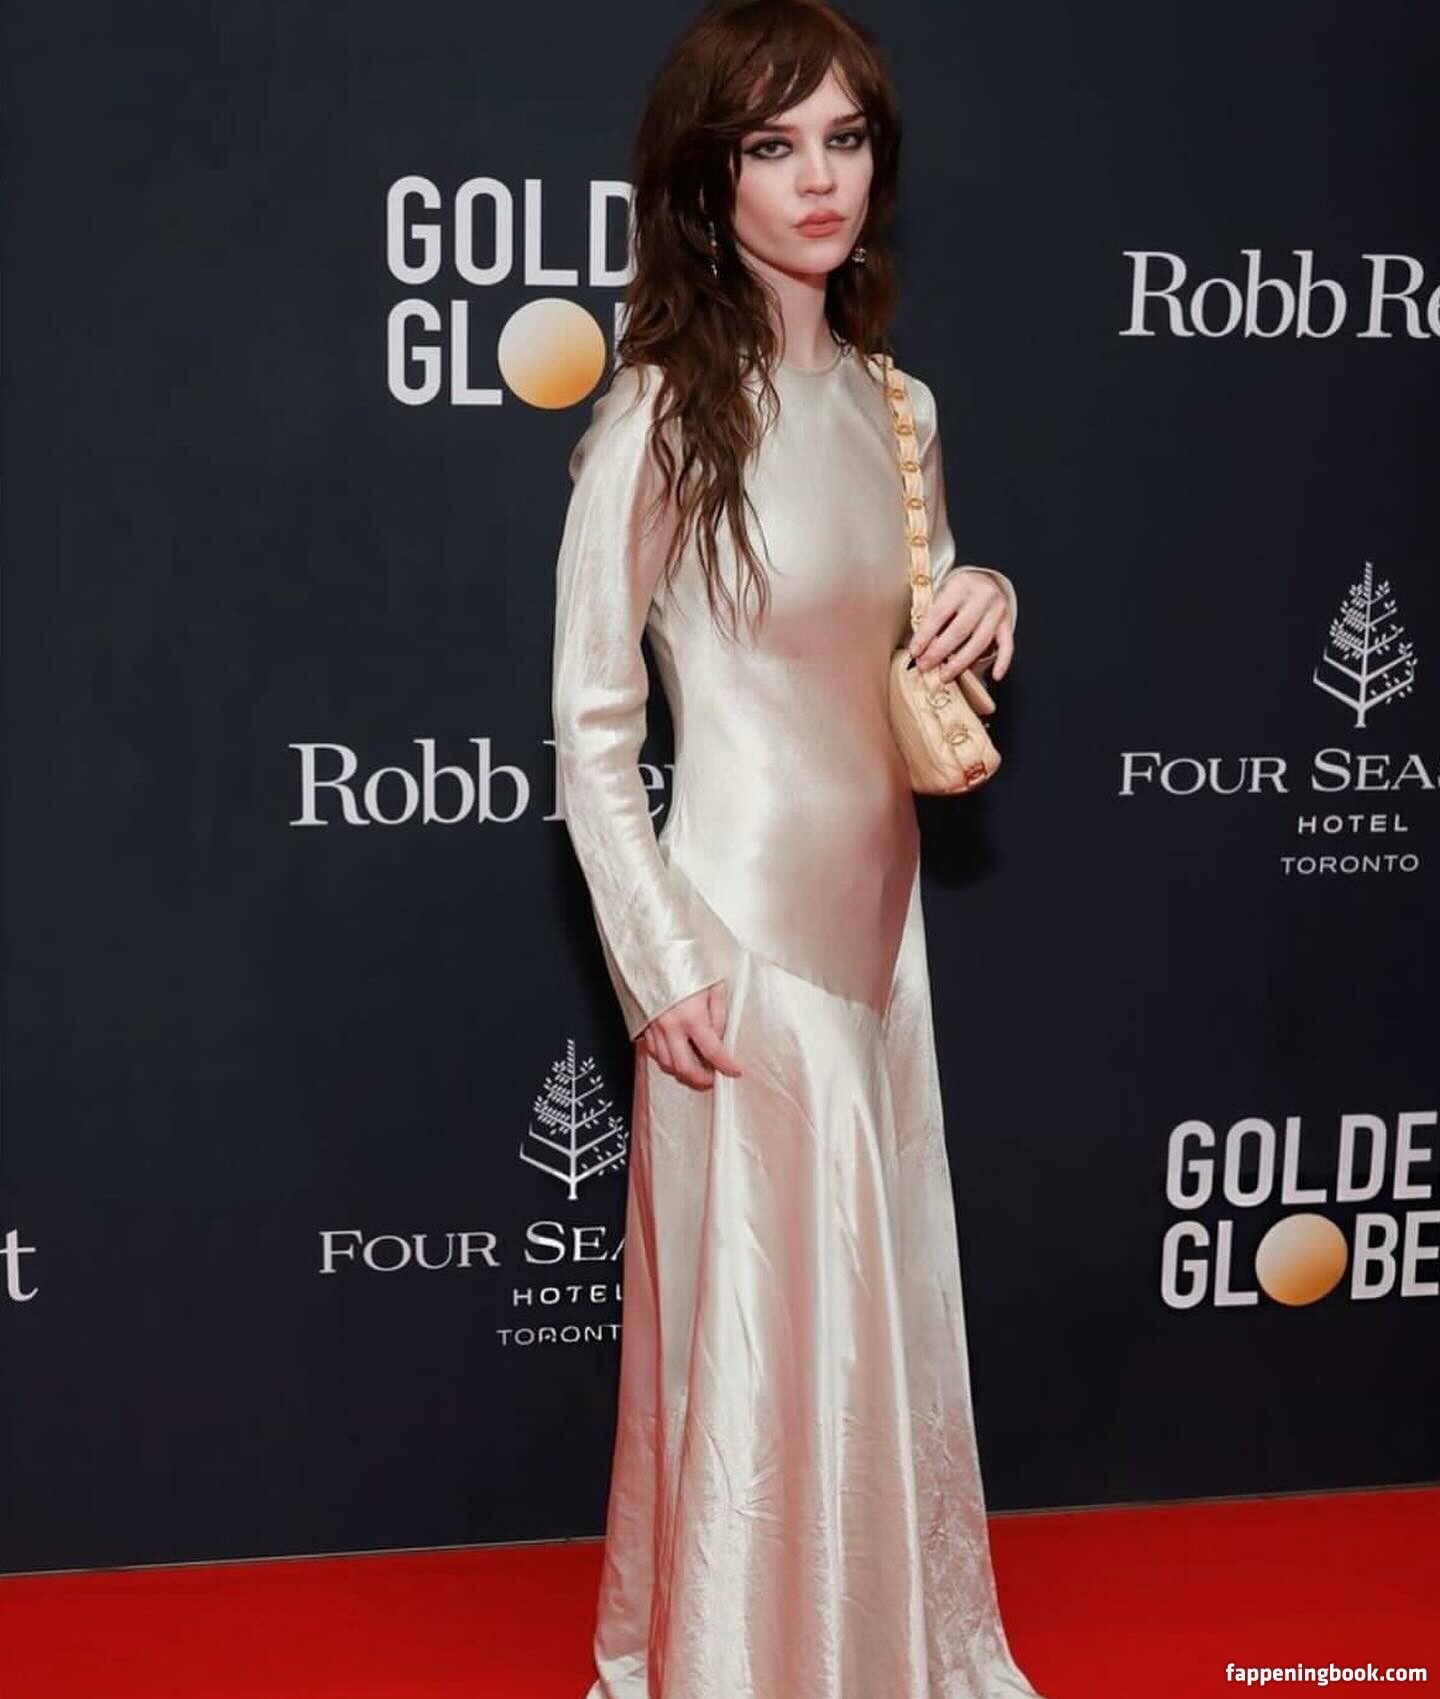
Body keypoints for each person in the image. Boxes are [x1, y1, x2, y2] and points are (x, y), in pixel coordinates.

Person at [550, 3, 1045, 1696]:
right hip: (740, 941)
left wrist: (984, 595)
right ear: (710, 180)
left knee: (867, 1322)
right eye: (773, 147)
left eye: (844, 140)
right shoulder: (659, 419)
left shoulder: (901, 409)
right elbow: (593, 725)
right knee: (764, 1344)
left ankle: (876, 1647)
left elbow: (909, 626)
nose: (817, 179)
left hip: (882, 934)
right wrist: (660, 961)